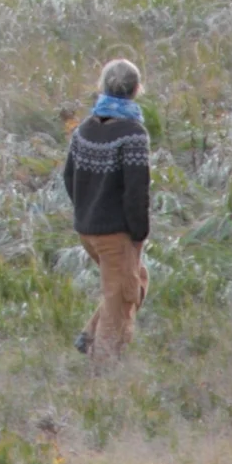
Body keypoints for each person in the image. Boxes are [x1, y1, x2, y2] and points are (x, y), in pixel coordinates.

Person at [64, 56, 150, 358]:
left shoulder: (84, 129)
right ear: (137, 89)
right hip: (115, 233)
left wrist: (85, 212)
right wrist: (139, 234)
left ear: (102, 87)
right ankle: (103, 373)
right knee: (123, 300)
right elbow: (136, 191)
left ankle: (88, 335)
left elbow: (69, 176)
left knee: (134, 281)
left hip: (88, 230)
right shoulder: (133, 134)